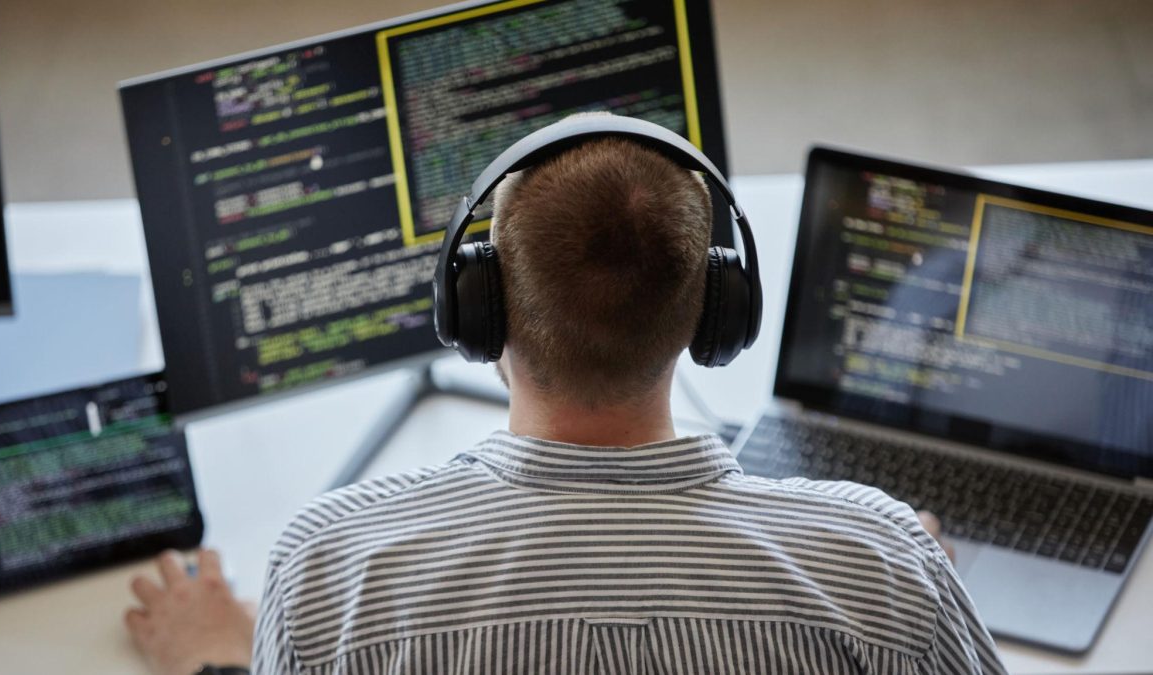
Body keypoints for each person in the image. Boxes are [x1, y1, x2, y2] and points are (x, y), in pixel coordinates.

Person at [124, 114, 1003, 674]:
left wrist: (211, 660)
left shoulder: (328, 569)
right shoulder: (884, 561)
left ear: (479, 308)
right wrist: (880, 568)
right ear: (716, 314)